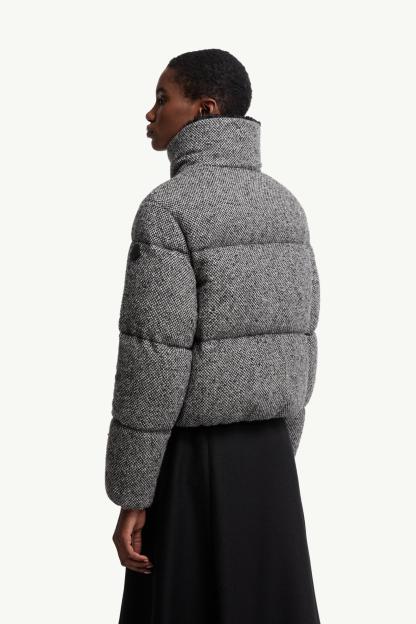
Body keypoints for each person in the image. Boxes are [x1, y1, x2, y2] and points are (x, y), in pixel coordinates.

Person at [105, 48, 321, 624]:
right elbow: (301, 343)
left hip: (189, 465)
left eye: (162, 98)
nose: (151, 113)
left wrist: (133, 491)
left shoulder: (167, 210)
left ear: (204, 109)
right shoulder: (286, 205)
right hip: (271, 466)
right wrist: (279, 449)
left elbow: (153, 360)